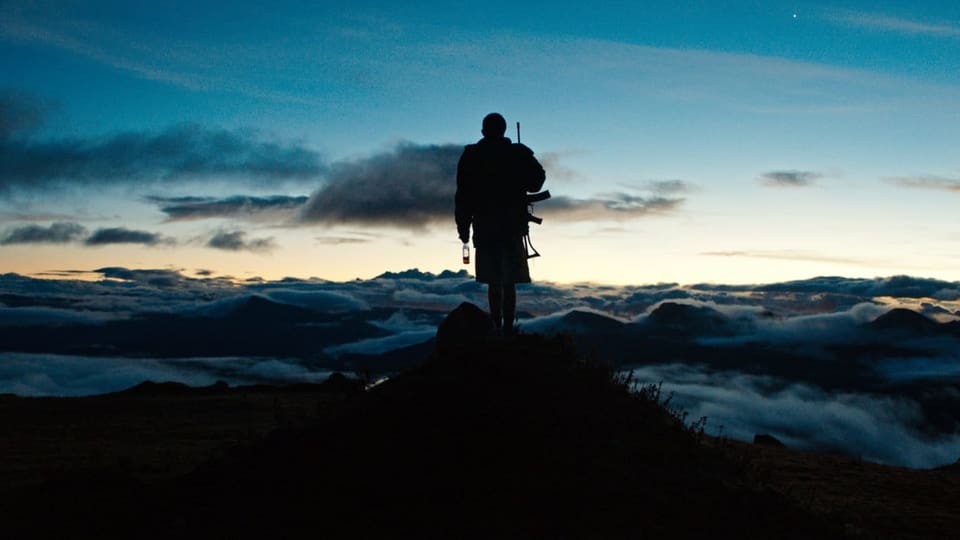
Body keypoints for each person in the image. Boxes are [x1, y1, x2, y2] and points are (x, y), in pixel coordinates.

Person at [455, 113, 546, 335]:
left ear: (483, 131)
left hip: (485, 226)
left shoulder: (472, 155)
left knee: (494, 280)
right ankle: (506, 329)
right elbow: (537, 181)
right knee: (509, 280)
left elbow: (463, 196)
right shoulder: (517, 153)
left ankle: (495, 327)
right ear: (504, 130)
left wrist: (463, 228)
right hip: (512, 225)